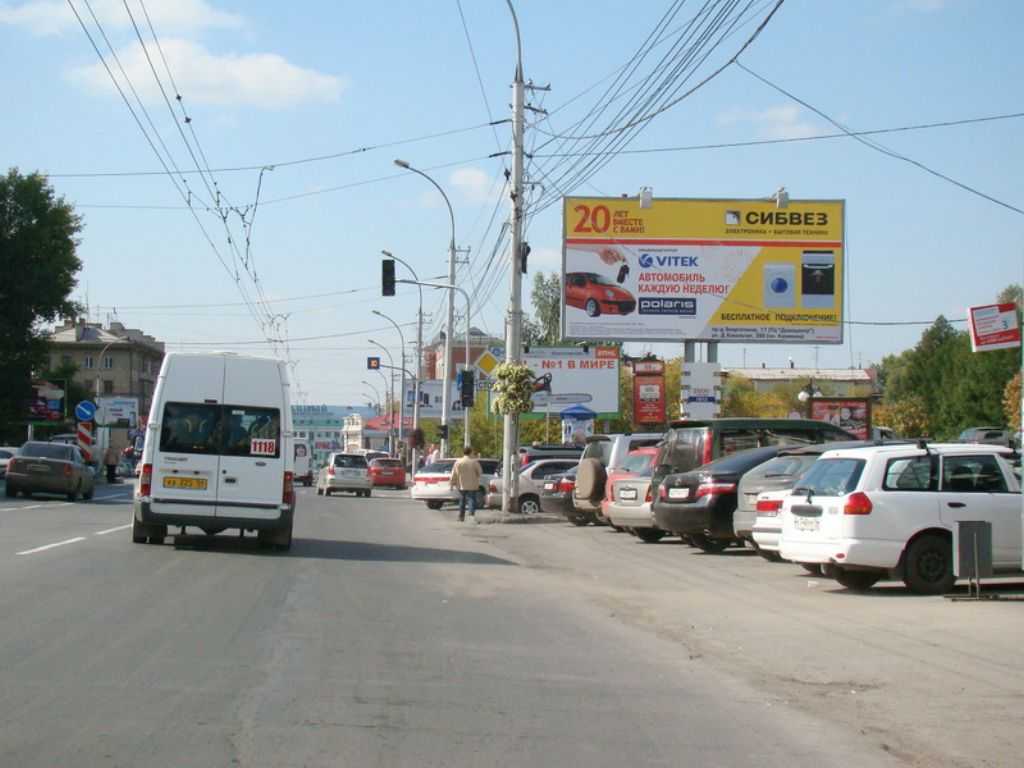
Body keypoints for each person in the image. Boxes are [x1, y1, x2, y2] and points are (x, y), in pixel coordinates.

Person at [449, 446, 482, 523]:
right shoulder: (474, 462)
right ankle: (471, 517)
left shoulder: (458, 462)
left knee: (462, 500)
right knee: (471, 500)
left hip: (461, 484)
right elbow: (480, 472)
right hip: (472, 485)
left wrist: (452, 483)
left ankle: (461, 517)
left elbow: (454, 474)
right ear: (470, 452)